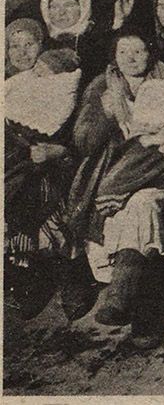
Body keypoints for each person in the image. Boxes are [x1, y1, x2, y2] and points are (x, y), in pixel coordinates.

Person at [66, 31, 164, 349]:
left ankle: (127, 300)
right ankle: (142, 309)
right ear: (115, 56)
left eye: (139, 50)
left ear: (150, 54)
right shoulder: (102, 87)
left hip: (160, 174)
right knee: (137, 208)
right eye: (125, 51)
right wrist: (107, 115)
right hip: (113, 175)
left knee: (144, 204)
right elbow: (81, 142)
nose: (132, 57)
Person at [5, 48, 90, 321]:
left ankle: (71, 277)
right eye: (37, 69)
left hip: (58, 171)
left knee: (50, 211)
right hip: (18, 167)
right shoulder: (18, 91)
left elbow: (80, 143)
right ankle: (29, 278)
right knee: (17, 200)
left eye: (46, 71)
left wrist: (57, 151)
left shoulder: (67, 99)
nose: (38, 74)